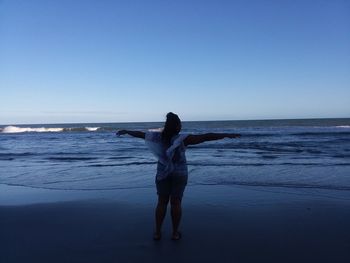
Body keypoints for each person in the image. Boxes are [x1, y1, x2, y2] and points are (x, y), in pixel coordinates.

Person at [116, 112, 241, 241]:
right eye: (180, 124)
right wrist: (226, 135)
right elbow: (206, 137)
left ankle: (157, 233)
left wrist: (126, 131)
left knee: (161, 202)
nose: (181, 126)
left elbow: (140, 134)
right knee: (176, 203)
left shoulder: (157, 137)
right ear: (177, 127)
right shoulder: (183, 139)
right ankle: (175, 233)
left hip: (162, 173)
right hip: (180, 174)